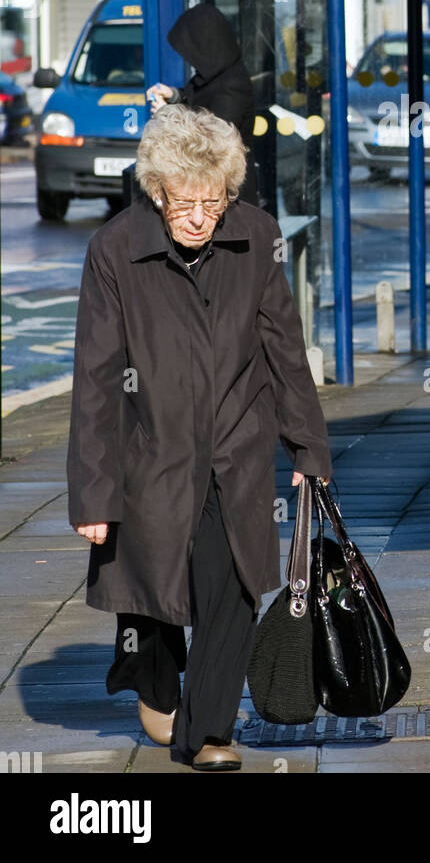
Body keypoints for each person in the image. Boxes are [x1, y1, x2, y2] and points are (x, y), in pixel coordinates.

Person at [67, 103, 331, 769]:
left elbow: (283, 348)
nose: (198, 218)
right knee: (153, 589)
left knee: (232, 585)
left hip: (235, 446)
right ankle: (152, 681)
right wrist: (93, 492)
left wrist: (308, 445)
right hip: (149, 448)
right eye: (184, 203)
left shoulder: (256, 237)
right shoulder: (115, 250)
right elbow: (96, 377)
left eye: (213, 204)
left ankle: (210, 730)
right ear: (157, 192)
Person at [147, 3, 258, 205]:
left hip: (227, 199)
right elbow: (198, 99)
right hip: (209, 192)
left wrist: (168, 114)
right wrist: (173, 95)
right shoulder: (218, 73)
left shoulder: (232, 87)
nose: (191, 61)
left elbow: (210, 139)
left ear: (205, 46)